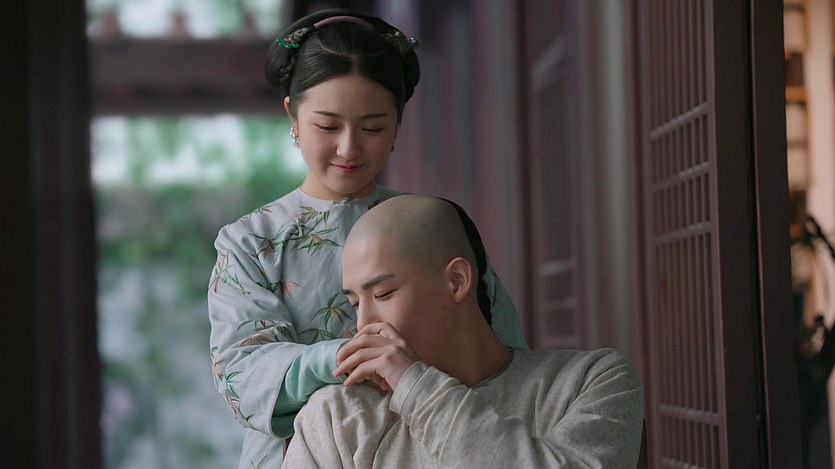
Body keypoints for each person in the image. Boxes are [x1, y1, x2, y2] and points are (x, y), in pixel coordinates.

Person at [207, 9, 527, 468]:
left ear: (397, 123)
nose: (349, 148)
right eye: (327, 126)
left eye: (373, 127)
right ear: (292, 115)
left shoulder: (431, 225)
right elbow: (243, 375)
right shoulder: (251, 244)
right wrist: (348, 356)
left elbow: (500, 351)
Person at [282, 195, 645, 468]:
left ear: (456, 280)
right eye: (354, 303)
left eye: (383, 293)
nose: (364, 326)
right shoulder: (338, 417)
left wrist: (417, 388)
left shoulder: (591, 381)